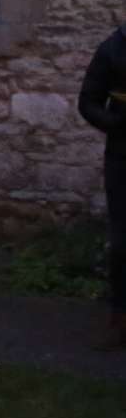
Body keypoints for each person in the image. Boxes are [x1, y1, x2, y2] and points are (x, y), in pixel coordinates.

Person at [78, 20, 126, 350]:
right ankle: (120, 319)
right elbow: (88, 102)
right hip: (124, 158)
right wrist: (117, 123)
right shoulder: (113, 48)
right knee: (123, 244)